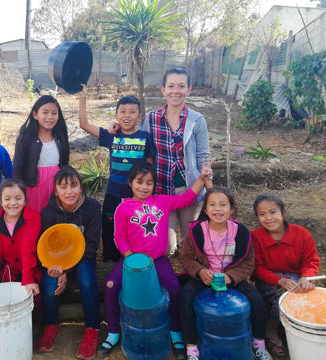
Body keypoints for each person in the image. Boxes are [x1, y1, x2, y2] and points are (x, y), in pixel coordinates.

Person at [101, 160, 212, 360]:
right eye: (139, 182)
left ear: (154, 185)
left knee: (174, 289)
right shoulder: (123, 208)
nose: (144, 187)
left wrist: (202, 179)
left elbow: (186, 199)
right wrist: (130, 259)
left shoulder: (162, 201)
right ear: (130, 183)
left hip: (158, 261)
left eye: (149, 183)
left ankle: (176, 332)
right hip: (132, 262)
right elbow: (119, 237)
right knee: (110, 286)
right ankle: (113, 332)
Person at [111, 67, 212, 255]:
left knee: (190, 241)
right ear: (163, 89)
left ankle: (189, 274)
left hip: (189, 189)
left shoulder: (197, 120)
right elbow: (136, 137)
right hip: (161, 193)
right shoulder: (152, 118)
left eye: (181, 86)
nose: (176, 91)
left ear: (189, 90)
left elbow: (202, 159)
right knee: (166, 245)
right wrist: (116, 126)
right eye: (171, 86)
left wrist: (211, 193)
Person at [180, 187, 272, 360]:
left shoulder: (241, 232)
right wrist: (200, 271)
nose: (218, 209)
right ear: (205, 210)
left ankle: (259, 343)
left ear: (231, 209)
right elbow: (186, 259)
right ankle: (191, 347)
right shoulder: (197, 231)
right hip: (205, 278)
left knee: (256, 299)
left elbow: (247, 263)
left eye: (223, 204)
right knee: (185, 296)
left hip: (231, 277)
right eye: (212, 205)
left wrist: (231, 277)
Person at [79, 85, 154, 262]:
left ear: (139, 117)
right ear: (116, 116)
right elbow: (84, 124)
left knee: (135, 229)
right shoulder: (111, 135)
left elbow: (150, 170)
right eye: (123, 111)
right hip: (113, 193)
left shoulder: (145, 137)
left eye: (132, 112)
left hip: (136, 195)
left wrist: (149, 195)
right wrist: (83, 99)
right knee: (110, 228)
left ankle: (133, 262)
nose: (127, 115)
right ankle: (109, 264)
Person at [37, 166, 101, 360]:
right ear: (55, 191)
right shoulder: (48, 213)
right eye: (63, 187)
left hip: (83, 258)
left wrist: (69, 267)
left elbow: (91, 245)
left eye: (74, 185)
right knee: (49, 284)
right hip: (56, 261)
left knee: (87, 280)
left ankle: (92, 329)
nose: (69, 191)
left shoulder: (92, 208)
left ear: (81, 188)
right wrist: (59, 269)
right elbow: (45, 248)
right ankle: (50, 326)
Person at [252, 193, 320, 357]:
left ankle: (302, 329)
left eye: (273, 212)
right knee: (283, 296)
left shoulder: (301, 234)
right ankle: (272, 330)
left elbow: (311, 261)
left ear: (284, 212)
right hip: (269, 281)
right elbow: (256, 268)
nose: (268, 218)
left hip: (298, 279)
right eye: (262, 214)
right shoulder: (256, 237)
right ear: (257, 217)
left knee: (308, 297)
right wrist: (280, 280)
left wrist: (307, 277)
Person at [13, 95, 70, 213]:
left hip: (56, 186)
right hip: (33, 186)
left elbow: (65, 163)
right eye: (45, 112)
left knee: (54, 218)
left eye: (54, 113)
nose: (50, 117)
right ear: (35, 114)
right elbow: (18, 167)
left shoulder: (60, 138)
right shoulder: (26, 138)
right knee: (34, 219)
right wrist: (18, 192)